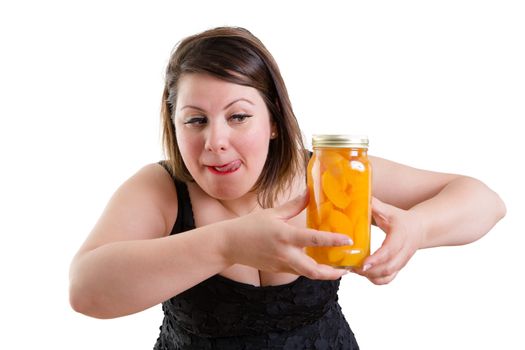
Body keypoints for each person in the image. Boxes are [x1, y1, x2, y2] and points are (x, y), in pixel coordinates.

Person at [68, 26, 506, 349]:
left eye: (238, 116)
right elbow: (86, 290)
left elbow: (485, 202)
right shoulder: (160, 187)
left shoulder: (328, 173)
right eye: (195, 120)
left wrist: (417, 229)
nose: (215, 140)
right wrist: (227, 245)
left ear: (274, 122)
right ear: (175, 126)